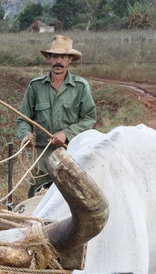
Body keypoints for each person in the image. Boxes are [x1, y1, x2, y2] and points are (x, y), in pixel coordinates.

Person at [15, 35, 97, 195]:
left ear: (70, 60)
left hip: (71, 154)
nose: (58, 61)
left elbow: (89, 118)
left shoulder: (80, 87)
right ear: (49, 59)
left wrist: (66, 134)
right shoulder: (36, 86)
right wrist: (26, 136)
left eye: (63, 57)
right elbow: (23, 119)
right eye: (55, 56)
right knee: (38, 198)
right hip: (41, 158)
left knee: (69, 199)